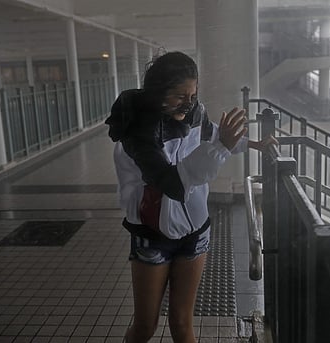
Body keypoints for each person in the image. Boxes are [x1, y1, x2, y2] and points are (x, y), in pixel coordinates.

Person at [105, 51, 276, 343]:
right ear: (157, 92)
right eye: (179, 95)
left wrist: (254, 144)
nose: (189, 102)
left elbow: (211, 135)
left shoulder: (195, 113)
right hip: (151, 234)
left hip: (196, 232)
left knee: (183, 323)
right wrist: (222, 146)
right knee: (146, 326)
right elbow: (173, 183)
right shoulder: (138, 132)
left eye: (193, 94)